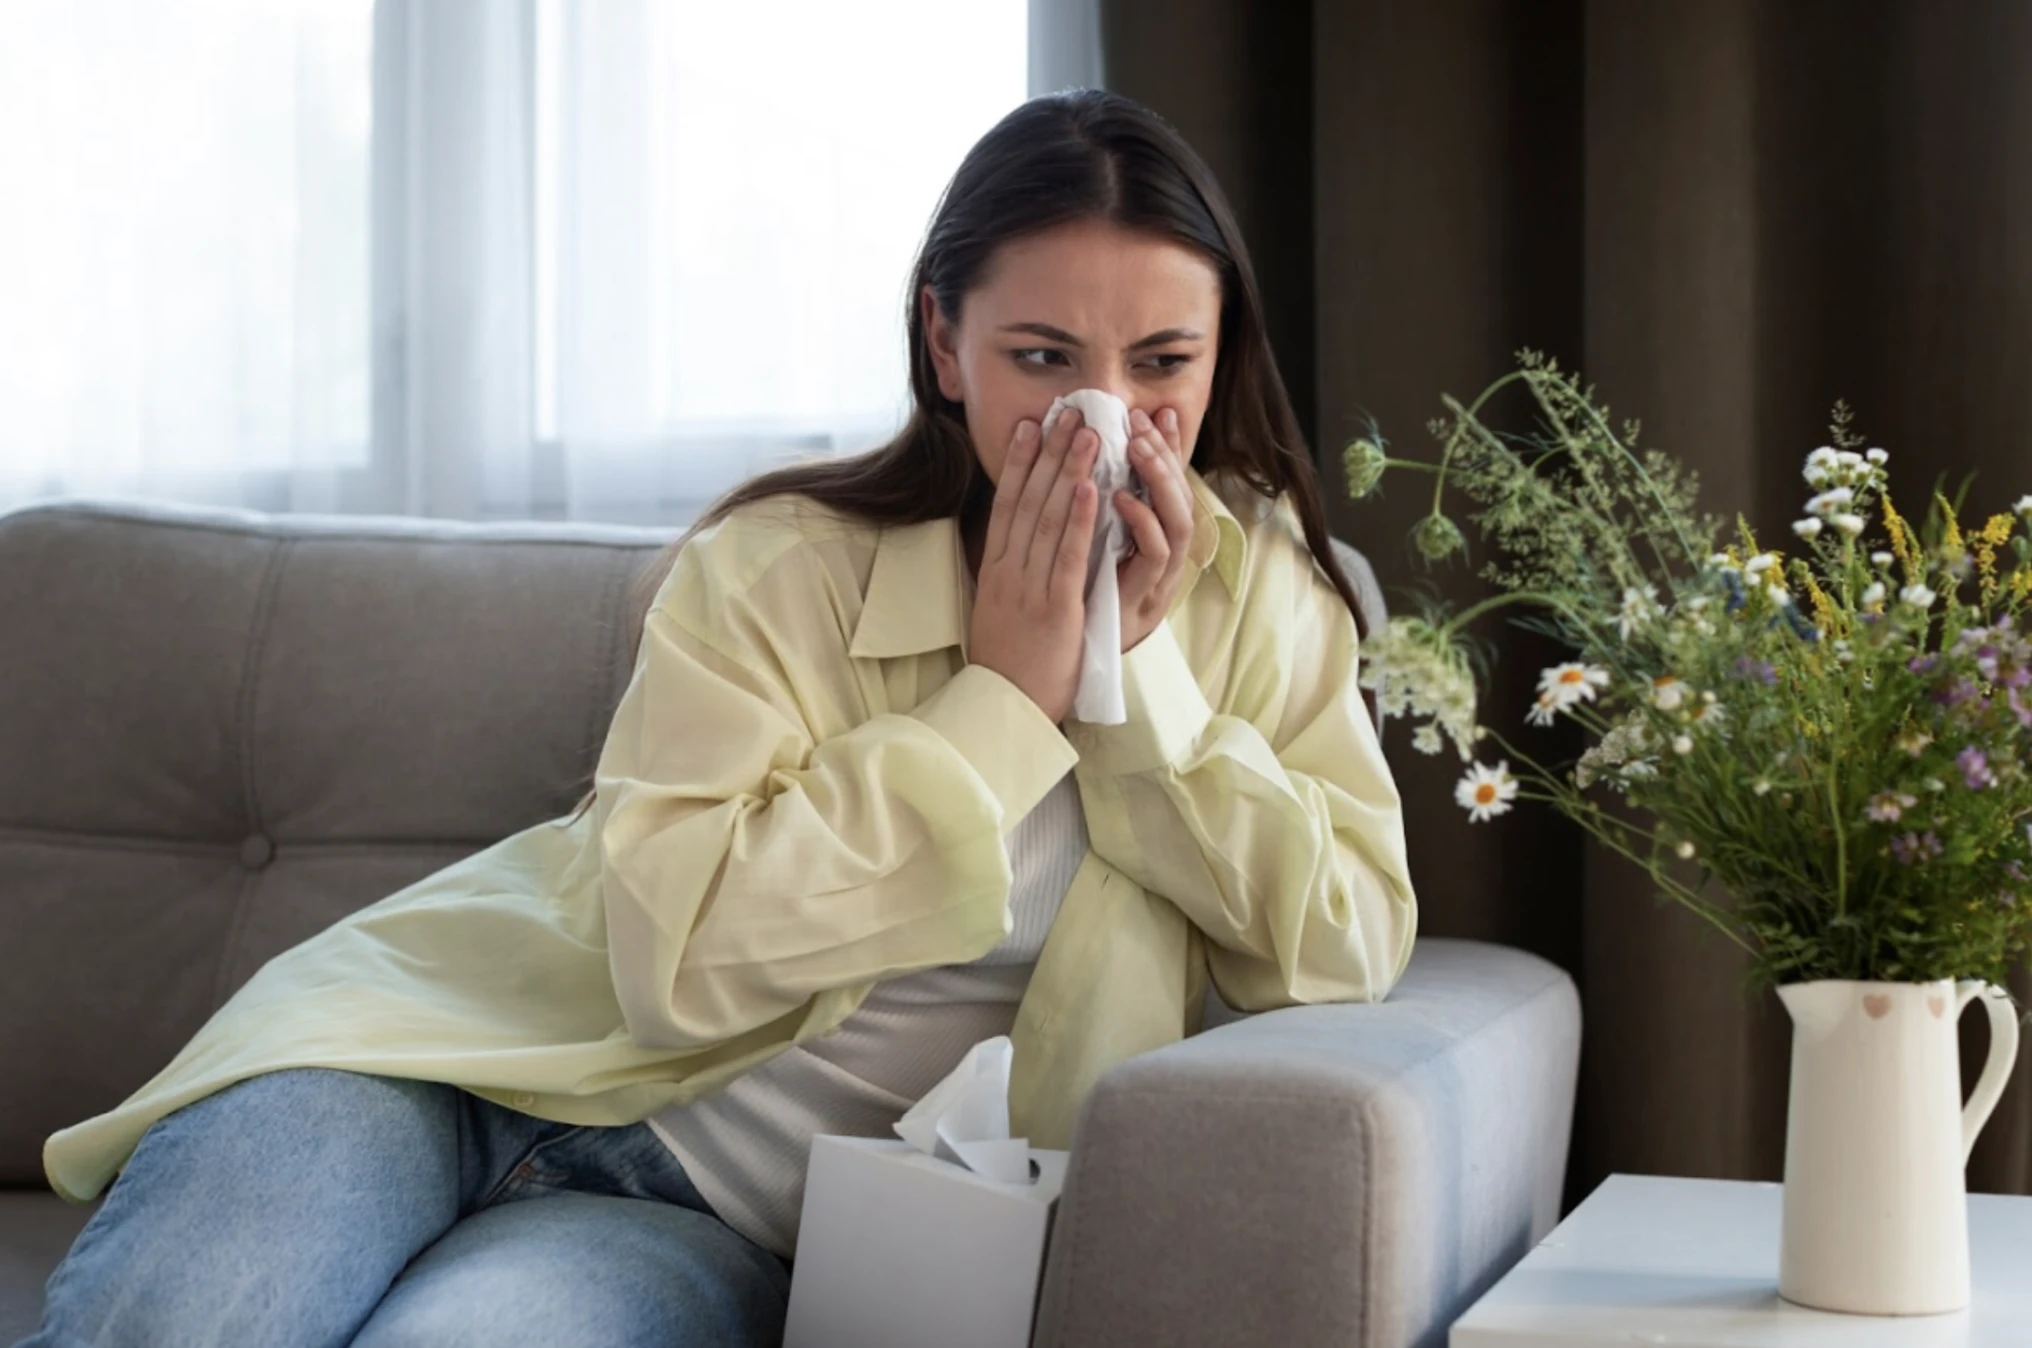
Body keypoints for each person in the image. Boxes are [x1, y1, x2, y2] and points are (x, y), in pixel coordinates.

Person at [20, 88, 1415, 1348]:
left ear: (1220, 355)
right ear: (945, 343)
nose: (1105, 420)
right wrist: (999, 703)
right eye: (1044, 358)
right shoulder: (782, 564)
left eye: (1162, 364)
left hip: (697, 1215)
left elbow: (1346, 942)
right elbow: (676, 960)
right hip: (432, 1067)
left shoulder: (1267, 597)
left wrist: (1134, 679)